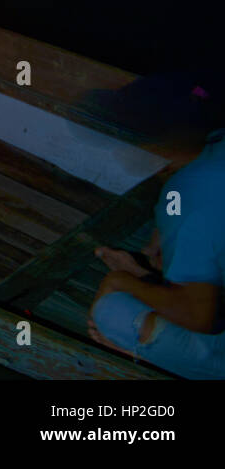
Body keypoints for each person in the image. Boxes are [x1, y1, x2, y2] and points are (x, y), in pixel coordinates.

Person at [89, 129, 225, 378]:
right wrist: (143, 276)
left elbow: (201, 315)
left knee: (111, 311)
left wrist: (123, 281)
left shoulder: (189, 206)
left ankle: (140, 354)